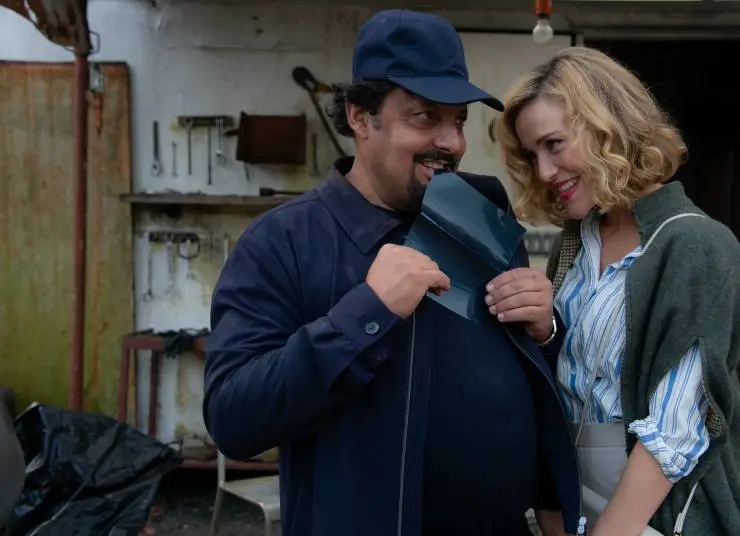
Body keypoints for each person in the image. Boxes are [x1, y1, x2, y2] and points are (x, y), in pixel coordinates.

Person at [204, 9, 581, 536]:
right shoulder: (282, 242)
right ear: (361, 117)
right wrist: (367, 312)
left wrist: (547, 333)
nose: (451, 142)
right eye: (425, 117)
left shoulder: (483, 223)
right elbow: (233, 419)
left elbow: (527, 390)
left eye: (458, 121)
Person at [492, 45, 740, 536]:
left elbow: (676, 428)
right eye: (532, 154)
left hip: (656, 515)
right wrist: (546, 331)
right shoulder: (575, 242)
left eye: (554, 144)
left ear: (610, 128)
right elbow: (574, 386)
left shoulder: (696, 244)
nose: (543, 171)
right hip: (578, 505)